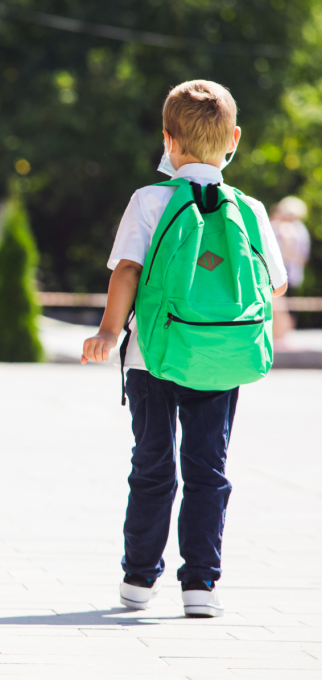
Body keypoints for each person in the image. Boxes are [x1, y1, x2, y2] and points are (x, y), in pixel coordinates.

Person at [82, 80, 288, 618]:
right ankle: (200, 585)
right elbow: (276, 284)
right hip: (220, 360)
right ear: (235, 139)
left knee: (153, 467)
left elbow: (127, 270)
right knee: (207, 469)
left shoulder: (150, 200)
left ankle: (137, 580)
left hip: (152, 358)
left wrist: (108, 331)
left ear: (168, 140)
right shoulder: (251, 209)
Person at [270, 196, 311, 341]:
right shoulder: (301, 229)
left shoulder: (287, 228)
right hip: (294, 272)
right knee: (285, 304)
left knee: (279, 303)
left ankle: (280, 333)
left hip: (285, 271)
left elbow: (286, 251)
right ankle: (282, 333)